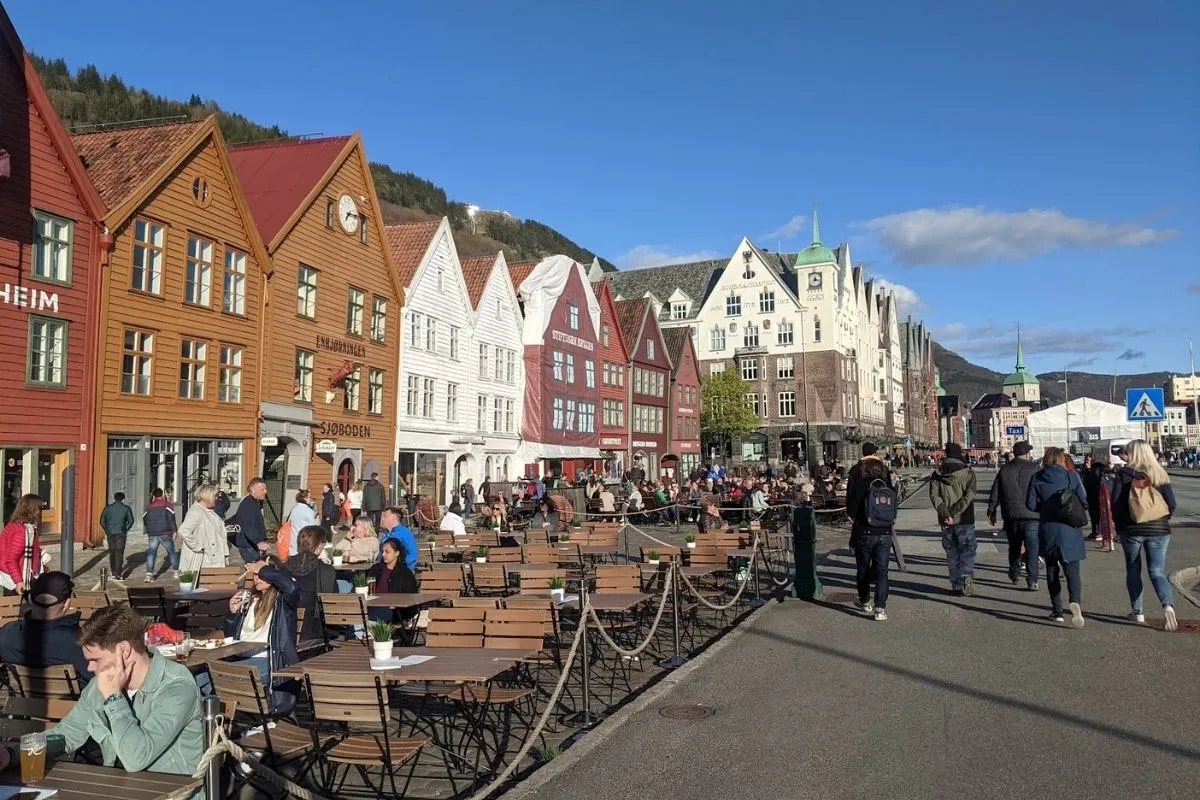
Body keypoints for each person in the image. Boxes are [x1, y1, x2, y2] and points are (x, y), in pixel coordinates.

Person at [0, 603, 204, 775]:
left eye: (95, 659)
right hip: (118, 789)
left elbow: (136, 759)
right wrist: (11, 755)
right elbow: (68, 734)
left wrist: (114, 698)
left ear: (124, 651)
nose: (89, 668)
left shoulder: (175, 688)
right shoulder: (101, 684)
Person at [1108, 439, 1178, 630]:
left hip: (1132, 530)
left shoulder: (1124, 474)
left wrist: (1120, 526)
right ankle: (1168, 605)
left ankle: (1137, 612)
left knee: (1133, 568)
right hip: (1159, 529)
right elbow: (1171, 503)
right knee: (1157, 571)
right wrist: (1161, 518)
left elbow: (1116, 505)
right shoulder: (1159, 472)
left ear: (1132, 454)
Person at [224, 557, 300, 713]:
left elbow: (291, 587)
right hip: (241, 657)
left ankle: (220, 720)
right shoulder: (249, 599)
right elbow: (232, 638)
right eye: (255, 574)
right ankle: (210, 722)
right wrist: (232, 615)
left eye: (261, 574)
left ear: (273, 574)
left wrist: (262, 568)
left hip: (268, 661)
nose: (256, 577)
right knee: (200, 676)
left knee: (217, 676)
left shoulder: (283, 602)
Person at [1026, 447, 1088, 627]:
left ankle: (1057, 610)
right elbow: (1084, 501)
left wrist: (1045, 510)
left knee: (1052, 571)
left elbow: (1030, 504)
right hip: (1070, 529)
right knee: (1072, 571)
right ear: (1061, 459)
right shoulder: (1071, 477)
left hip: (1048, 529)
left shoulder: (1037, 478)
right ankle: (1075, 601)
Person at [0, 571, 91, 684]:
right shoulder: (78, 644)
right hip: (71, 700)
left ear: (30, 599)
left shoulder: (7, 634)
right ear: (67, 604)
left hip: (21, 700)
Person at [845, 443, 894, 620]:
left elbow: (851, 496)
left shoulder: (856, 470)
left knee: (863, 568)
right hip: (884, 529)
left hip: (863, 529)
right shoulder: (883, 469)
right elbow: (892, 494)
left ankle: (865, 601)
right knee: (882, 571)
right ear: (875, 453)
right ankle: (880, 608)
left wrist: (851, 514)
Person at [987, 441, 1041, 590]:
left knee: (1014, 546)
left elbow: (995, 492)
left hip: (1011, 515)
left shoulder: (1005, 470)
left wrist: (991, 511)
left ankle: (1015, 572)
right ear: (1027, 454)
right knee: (1032, 547)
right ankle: (1032, 580)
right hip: (1032, 515)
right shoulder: (1035, 469)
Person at [929, 443, 978, 596]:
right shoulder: (968, 473)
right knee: (968, 549)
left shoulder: (937, 474)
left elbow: (934, 496)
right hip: (965, 519)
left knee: (951, 552)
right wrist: (956, 512)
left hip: (946, 521)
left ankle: (956, 585)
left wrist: (946, 513)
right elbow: (969, 495)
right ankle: (967, 574)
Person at [286, 525, 336, 641]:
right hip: (313, 630)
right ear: (319, 546)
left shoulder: (285, 566)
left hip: (287, 628)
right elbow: (331, 601)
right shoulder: (325, 570)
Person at [176, 483, 229, 575]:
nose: (217, 498)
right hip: (203, 561)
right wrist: (198, 546)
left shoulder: (208, 511)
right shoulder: (196, 511)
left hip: (213, 559)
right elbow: (183, 531)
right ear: (207, 496)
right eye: (215, 496)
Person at [367, 539, 420, 626]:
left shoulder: (405, 573)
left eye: (387, 552)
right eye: (382, 551)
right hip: (373, 606)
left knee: (367, 617)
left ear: (397, 553)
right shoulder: (376, 569)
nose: (383, 554)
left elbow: (410, 599)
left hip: (394, 611)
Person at [1, 493, 44, 596]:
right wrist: (18, 581)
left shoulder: (15, 525)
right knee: (16, 609)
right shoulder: (21, 531)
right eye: (40, 508)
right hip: (14, 578)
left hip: (13, 574)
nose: (41, 512)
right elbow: (11, 559)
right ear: (33, 510)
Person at [142, 489, 179, 582]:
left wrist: (149, 529)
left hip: (153, 533)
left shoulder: (149, 507)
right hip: (165, 532)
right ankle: (176, 571)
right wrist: (174, 531)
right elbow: (171, 519)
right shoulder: (167, 505)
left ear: (153, 496)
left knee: (151, 553)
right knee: (171, 552)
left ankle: (149, 575)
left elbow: (145, 519)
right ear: (162, 495)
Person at [233, 478, 270, 564]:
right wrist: (259, 542)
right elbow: (248, 526)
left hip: (252, 545)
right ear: (253, 490)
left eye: (265, 489)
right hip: (248, 546)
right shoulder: (248, 505)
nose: (265, 491)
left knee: (255, 572)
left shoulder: (255, 502)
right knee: (255, 571)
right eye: (262, 489)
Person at [99, 492, 134, 579]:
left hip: (110, 533)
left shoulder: (108, 508)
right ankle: (118, 573)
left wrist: (107, 530)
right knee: (119, 553)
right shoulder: (126, 508)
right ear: (123, 499)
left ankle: (113, 571)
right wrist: (125, 528)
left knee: (112, 552)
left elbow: (102, 521)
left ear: (114, 499)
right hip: (121, 533)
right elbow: (131, 521)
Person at [378, 507, 418, 572]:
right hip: (384, 571)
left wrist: (401, 567)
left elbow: (413, 554)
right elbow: (381, 554)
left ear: (393, 519)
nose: (382, 519)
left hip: (401, 573)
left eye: (385, 517)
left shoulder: (404, 533)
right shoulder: (385, 535)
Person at [284, 489, 318, 558]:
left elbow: (289, 522)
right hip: (305, 542)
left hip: (293, 542)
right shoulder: (308, 511)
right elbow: (314, 527)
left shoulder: (294, 509)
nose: (311, 499)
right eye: (310, 497)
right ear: (305, 498)